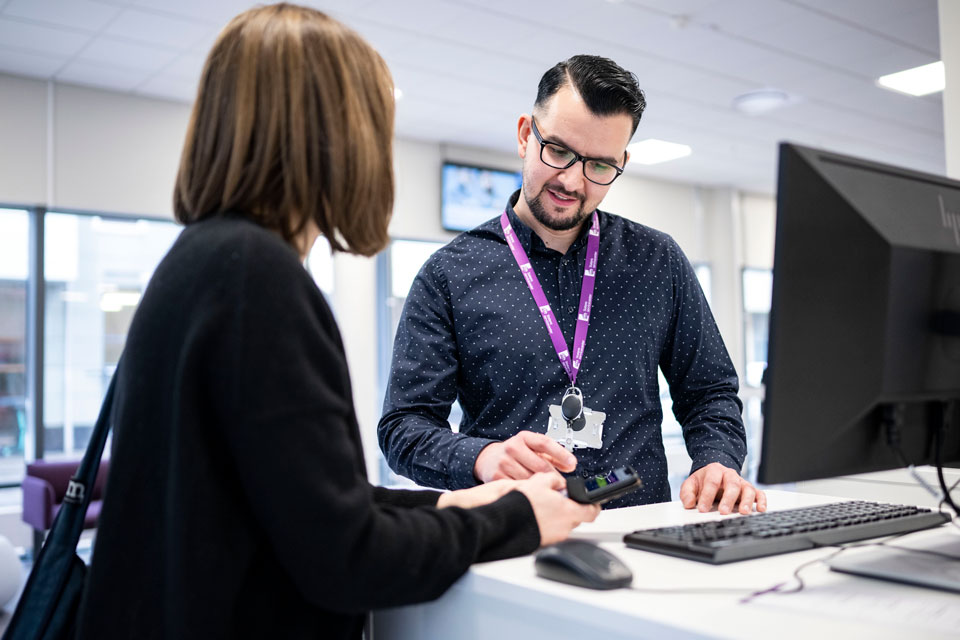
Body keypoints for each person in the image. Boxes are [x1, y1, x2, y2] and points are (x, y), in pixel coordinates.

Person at [75, 6, 598, 639]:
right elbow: (347, 557)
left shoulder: (203, 261)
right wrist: (516, 521)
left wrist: (450, 502)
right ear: (336, 138)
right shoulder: (256, 281)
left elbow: (303, 501)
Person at [379, 54, 767, 514]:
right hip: (512, 531)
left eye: (600, 166)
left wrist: (717, 461)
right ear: (526, 134)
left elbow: (709, 391)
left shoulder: (657, 261)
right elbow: (404, 426)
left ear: (621, 162)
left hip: (640, 529)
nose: (572, 181)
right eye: (558, 151)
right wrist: (482, 457)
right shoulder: (449, 275)